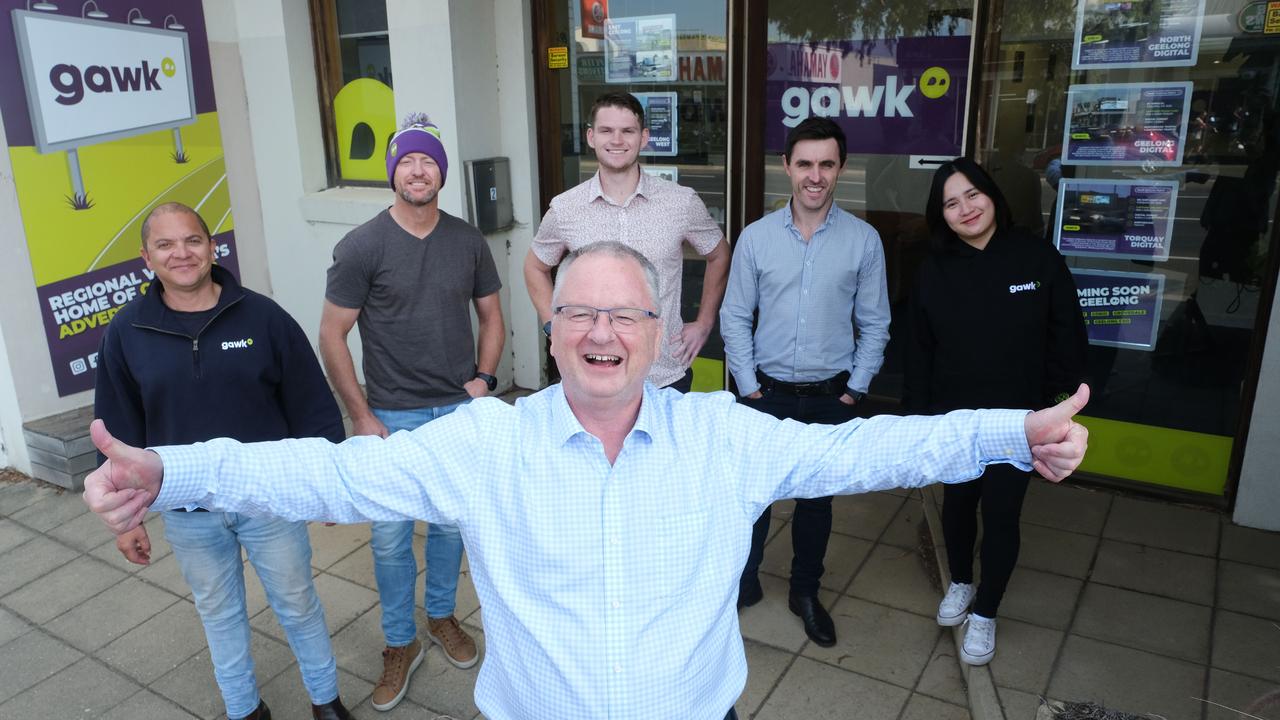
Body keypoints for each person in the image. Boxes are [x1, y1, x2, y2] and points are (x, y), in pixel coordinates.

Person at [85, 241, 1090, 720]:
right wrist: (171, 469)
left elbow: (874, 451)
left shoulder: (724, 437)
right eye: (580, 315)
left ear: (661, 338)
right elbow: (333, 477)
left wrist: (1010, 433)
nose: (602, 333)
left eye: (625, 316)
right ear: (551, 332)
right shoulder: (488, 444)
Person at [94, 203, 353, 720]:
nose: (181, 253)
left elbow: (309, 401)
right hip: (189, 509)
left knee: (298, 604)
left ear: (213, 247)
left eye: (192, 240)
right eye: (165, 245)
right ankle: (244, 710)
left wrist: (330, 485)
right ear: (146, 257)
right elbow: (119, 431)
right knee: (219, 615)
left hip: (269, 499)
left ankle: (326, 702)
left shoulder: (262, 317)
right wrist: (126, 519)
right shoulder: (126, 332)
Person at [318, 113, 503, 711]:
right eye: (407, 161)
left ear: (440, 173)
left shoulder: (467, 240)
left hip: (456, 410)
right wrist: (361, 415)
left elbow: (492, 317)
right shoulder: (362, 246)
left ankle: (443, 617)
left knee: (451, 526)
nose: (418, 170)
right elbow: (331, 335)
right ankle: (401, 642)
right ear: (393, 172)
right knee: (391, 540)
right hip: (391, 416)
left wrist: (483, 382)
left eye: (428, 161)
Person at [906, 158, 1089, 666]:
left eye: (972, 195)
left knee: (1003, 514)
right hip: (957, 420)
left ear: (992, 195)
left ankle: (986, 611)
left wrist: (1059, 409)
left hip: (1019, 422)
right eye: (950, 202)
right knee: (959, 505)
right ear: (939, 214)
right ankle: (962, 583)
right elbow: (918, 350)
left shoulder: (1036, 258)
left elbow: (1066, 337)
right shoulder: (932, 270)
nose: (965, 208)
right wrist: (918, 420)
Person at [720, 117, 890, 646]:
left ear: (840, 169)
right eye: (804, 164)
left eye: (826, 164)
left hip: (828, 396)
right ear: (787, 168)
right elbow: (735, 315)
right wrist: (748, 385)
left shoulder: (863, 241)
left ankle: (804, 592)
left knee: (817, 504)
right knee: (753, 500)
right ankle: (743, 585)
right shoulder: (756, 238)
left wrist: (853, 390)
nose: (814, 176)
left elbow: (876, 321)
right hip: (763, 395)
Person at [523, 91, 730, 392]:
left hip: (663, 375)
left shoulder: (680, 202)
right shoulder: (565, 208)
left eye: (628, 131)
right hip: (590, 373)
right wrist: (552, 325)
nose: (617, 140)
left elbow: (719, 255)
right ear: (591, 137)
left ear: (644, 137)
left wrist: (704, 323)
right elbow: (534, 267)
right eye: (607, 131)